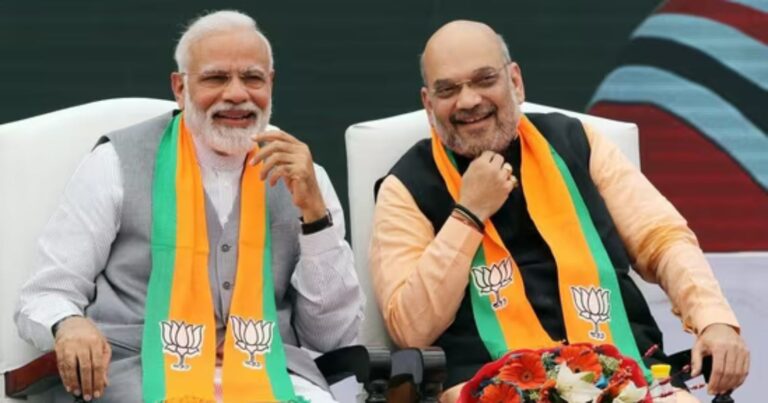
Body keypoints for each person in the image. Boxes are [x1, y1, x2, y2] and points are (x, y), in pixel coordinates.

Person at [369, 20, 749, 402]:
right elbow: (411, 328)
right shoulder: (406, 186)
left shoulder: (577, 143)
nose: (468, 100)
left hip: (620, 373)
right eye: (448, 89)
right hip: (490, 385)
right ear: (428, 103)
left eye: (484, 80)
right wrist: (468, 214)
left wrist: (713, 319)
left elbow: (662, 238)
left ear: (515, 82)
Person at [14, 10, 363, 402]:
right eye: (216, 78)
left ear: (271, 84)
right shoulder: (116, 163)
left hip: (270, 372)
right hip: (138, 372)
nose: (237, 94)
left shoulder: (304, 177)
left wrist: (315, 220)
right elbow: (46, 293)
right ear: (180, 88)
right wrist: (68, 324)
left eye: (252, 78)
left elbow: (332, 338)